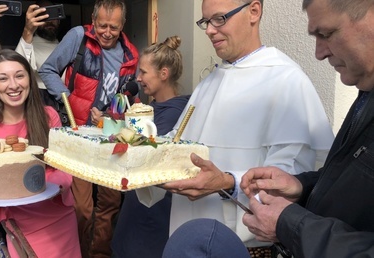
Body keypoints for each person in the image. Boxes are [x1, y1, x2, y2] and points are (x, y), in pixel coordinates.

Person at [135, 0, 334, 256]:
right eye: (206, 22)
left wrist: (228, 183)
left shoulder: (286, 81)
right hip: (187, 241)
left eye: (219, 19)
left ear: (254, 11)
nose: (209, 30)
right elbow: (178, 145)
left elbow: (293, 177)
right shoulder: (208, 83)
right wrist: (142, 155)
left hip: (244, 247)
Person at [239, 0, 374, 257]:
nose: (319, 53)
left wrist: (290, 224)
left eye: (326, 34)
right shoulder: (367, 91)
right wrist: (302, 187)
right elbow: (355, 182)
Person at [38, 1, 139, 257]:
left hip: (110, 137)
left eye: (113, 27)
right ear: (93, 21)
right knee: (81, 208)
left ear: (122, 26)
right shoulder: (78, 37)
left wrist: (112, 117)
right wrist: (66, 99)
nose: (106, 32)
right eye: (102, 25)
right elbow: (47, 69)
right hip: (79, 137)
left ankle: (100, 253)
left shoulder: (131, 55)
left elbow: (124, 98)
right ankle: (80, 253)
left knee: (110, 205)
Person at [0, 49, 81, 258]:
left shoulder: (49, 117)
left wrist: (18, 183)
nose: (13, 85)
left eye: (19, 75)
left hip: (60, 220)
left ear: (29, 78)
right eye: (3, 78)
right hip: (22, 229)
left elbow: (64, 173)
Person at [111, 36, 190, 258]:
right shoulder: (150, 109)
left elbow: (146, 156)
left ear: (163, 74)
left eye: (143, 72)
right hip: (135, 212)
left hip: (152, 218)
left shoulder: (174, 114)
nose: (138, 78)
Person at [15, 0, 64, 90]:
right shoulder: (27, 46)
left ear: (59, 20)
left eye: (52, 14)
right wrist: (28, 31)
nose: (49, 20)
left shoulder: (66, 46)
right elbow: (17, 70)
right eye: (42, 16)